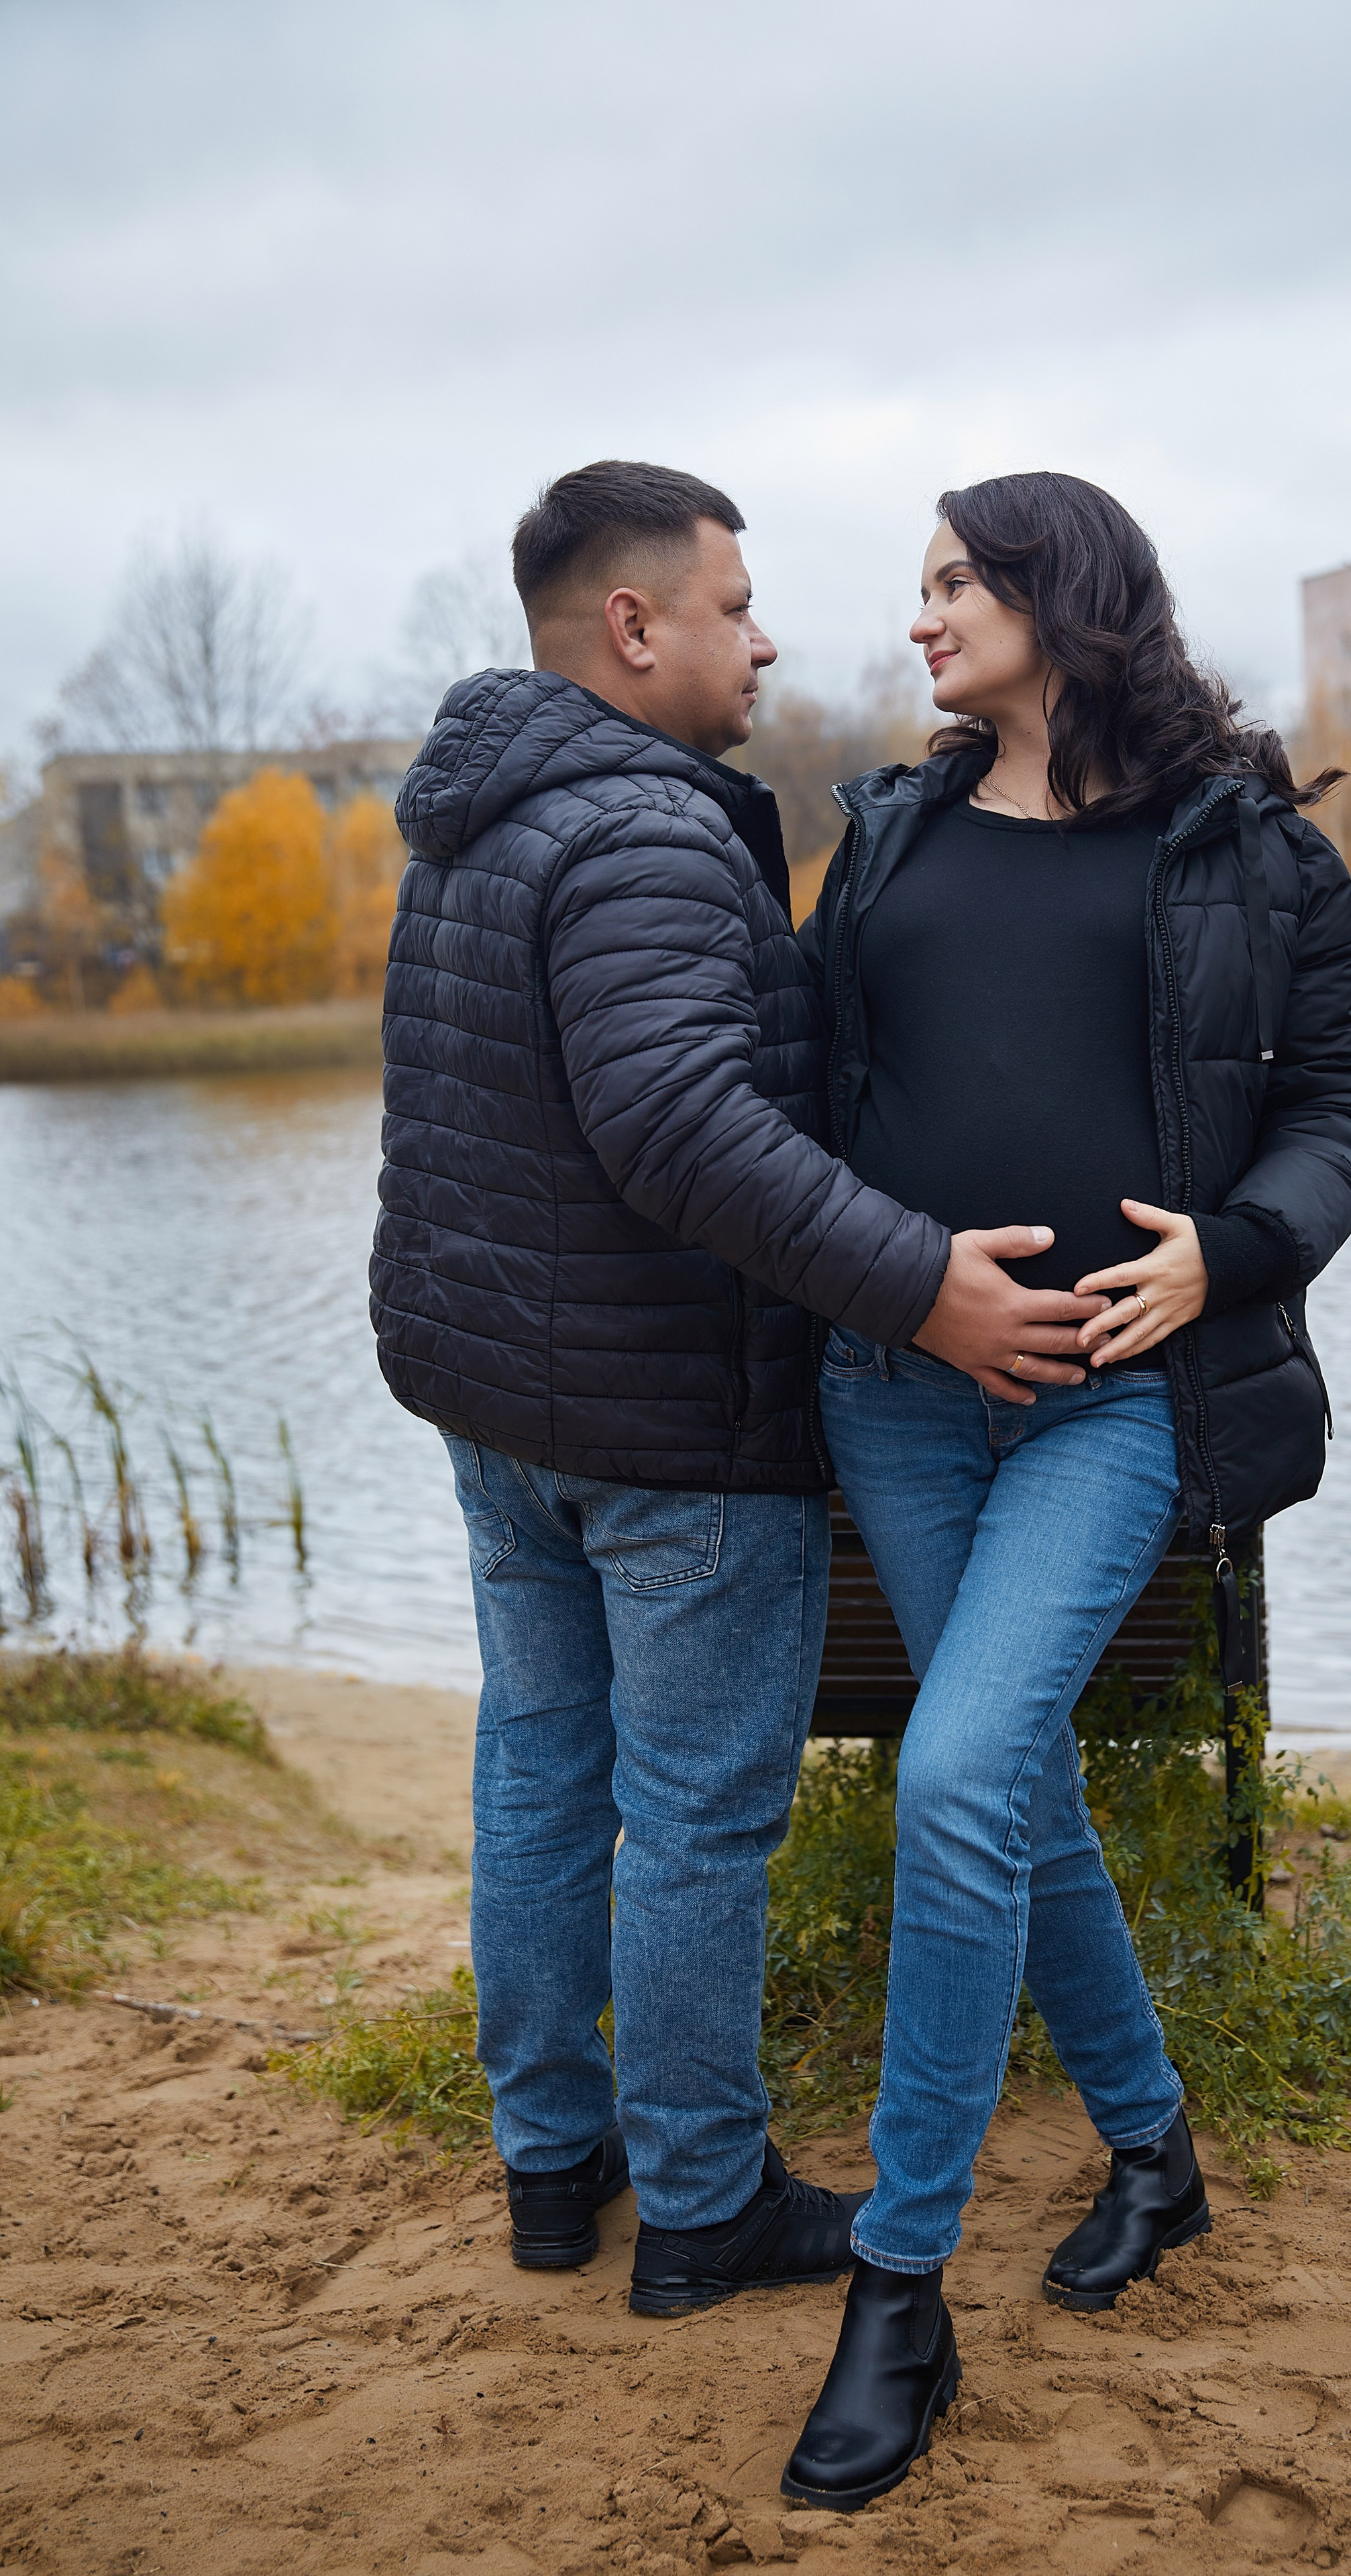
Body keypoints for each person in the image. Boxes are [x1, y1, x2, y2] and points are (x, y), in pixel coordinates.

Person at [370, 460, 1107, 2317]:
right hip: (670, 1423)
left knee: (542, 1774)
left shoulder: (484, 815)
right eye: (732, 606)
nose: (767, 638)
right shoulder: (644, 830)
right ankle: (699, 2201)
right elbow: (680, 1128)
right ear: (633, 626)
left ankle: (556, 2167)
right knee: (695, 1817)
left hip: (504, 1408)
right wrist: (926, 1286)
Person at [781, 471, 1351, 2510]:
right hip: (895, 1388)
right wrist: (896, 1289)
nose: (924, 614)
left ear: (1061, 593)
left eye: (957, 580)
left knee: (957, 1777)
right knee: (1006, 1786)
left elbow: (1340, 1105)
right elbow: (802, 1106)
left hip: (1116, 1403)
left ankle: (901, 2285)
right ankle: (1153, 2151)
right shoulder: (889, 835)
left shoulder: (1247, 844)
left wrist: (1235, 1246)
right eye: (923, 585)